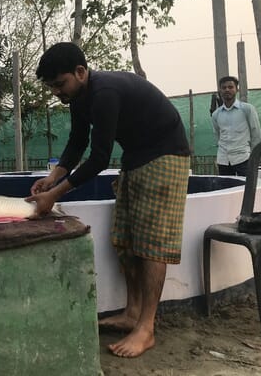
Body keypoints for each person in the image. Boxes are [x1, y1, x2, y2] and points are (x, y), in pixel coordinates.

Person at [26, 42, 190, 358]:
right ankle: (132, 312)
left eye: (61, 84)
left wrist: (53, 196)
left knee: (152, 244)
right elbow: (77, 143)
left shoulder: (105, 93)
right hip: (137, 157)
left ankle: (146, 327)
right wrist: (53, 177)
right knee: (127, 239)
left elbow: (99, 158)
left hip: (166, 155)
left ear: (81, 72)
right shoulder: (77, 96)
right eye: (53, 88)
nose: (59, 92)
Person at [211, 76, 261, 176]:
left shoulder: (247, 109)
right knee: (226, 189)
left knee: (247, 189)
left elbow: (256, 133)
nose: (227, 90)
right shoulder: (216, 114)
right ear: (220, 90)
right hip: (223, 160)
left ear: (236, 89)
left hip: (243, 158)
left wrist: (254, 156)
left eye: (230, 87)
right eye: (224, 87)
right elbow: (217, 135)